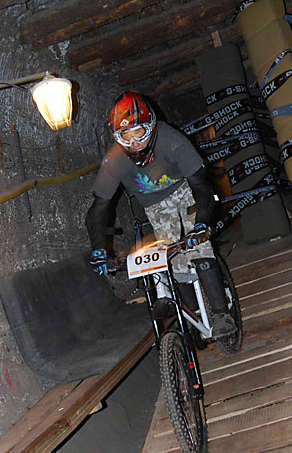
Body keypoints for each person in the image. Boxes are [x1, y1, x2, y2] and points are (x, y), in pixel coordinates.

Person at [85, 90, 236, 338]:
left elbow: (202, 187)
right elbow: (98, 209)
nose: (134, 143)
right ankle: (194, 314)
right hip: (155, 204)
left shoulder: (172, 141)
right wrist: (99, 248)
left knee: (198, 246)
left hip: (185, 189)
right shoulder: (115, 160)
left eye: (139, 133)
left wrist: (201, 224)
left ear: (151, 127)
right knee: (172, 257)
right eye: (125, 136)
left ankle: (221, 314)